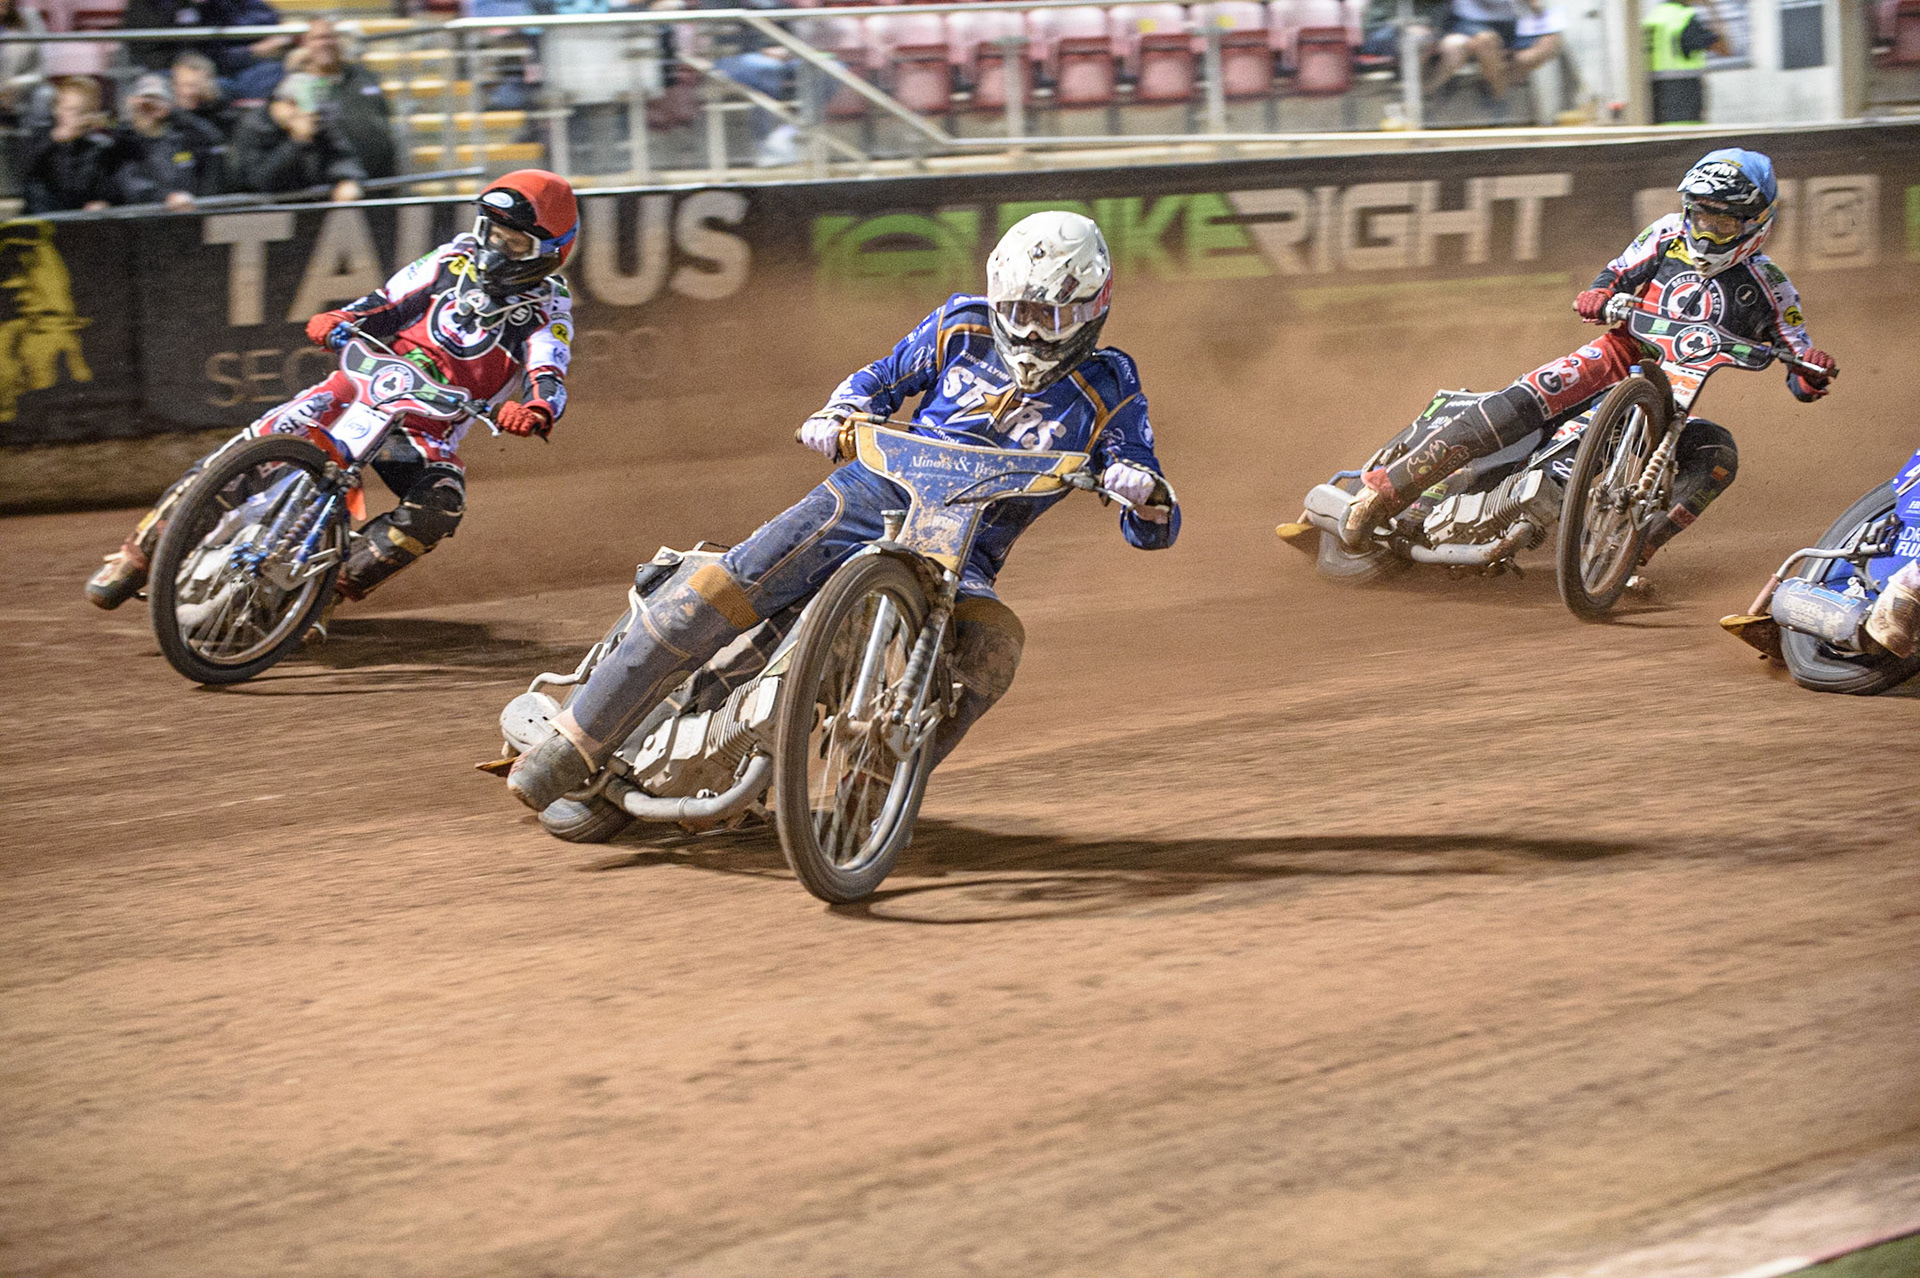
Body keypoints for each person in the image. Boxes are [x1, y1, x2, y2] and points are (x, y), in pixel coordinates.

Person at [506, 210, 1181, 814]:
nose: (1032, 330)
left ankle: (874, 794)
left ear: (1094, 308)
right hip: (871, 494)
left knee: (995, 648)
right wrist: (839, 412)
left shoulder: (1110, 386)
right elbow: (882, 378)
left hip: (966, 549)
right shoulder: (963, 323)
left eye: (1052, 317)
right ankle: (575, 742)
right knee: (729, 582)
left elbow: (1152, 510)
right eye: (1020, 311)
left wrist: (1142, 493)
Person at [84, 170, 579, 613]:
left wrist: (536, 408)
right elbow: (387, 303)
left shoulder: (548, 308)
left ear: (550, 251)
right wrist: (343, 318)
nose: (495, 249)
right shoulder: (453, 258)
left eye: (513, 244)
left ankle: (322, 595)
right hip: (359, 383)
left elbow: (548, 372)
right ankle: (139, 554)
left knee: (441, 505)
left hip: (428, 425)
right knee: (249, 450)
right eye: (492, 233)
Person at [1336, 149, 1836, 569]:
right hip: (1616, 355)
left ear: (1756, 222)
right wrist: (1597, 296)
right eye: (1701, 216)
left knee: (1718, 457)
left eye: (1722, 221)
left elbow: (1798, 356)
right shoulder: (1666, 234)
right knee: (1524, 399)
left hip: (1672, 397)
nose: (1706, 232)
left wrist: (1811, 371)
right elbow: (1614, 274)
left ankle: (1627, 554)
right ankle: (1383, 491)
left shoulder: (1771, 288)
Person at [225, 71, 364, 200]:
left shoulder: (315, 120)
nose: (303, 114)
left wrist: (347, 179)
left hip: (309, 199)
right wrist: (297, 141)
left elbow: (340, 153)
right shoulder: (254, 126)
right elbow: (259, 180)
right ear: (280, 102)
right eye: (294, 105)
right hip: (262, 207)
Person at [112, 71, 226, 207]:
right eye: (145, 100)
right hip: (142, 220)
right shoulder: (123, 144)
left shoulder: (184, 138)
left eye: (157, 100)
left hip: (190, 215)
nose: (150, 106)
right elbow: (129, 184)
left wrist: (174, 113)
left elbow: (208, 170)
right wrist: (166, 197)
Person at [122, 0, 290, 90]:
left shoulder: (214, 5)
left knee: (275, 72)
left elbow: (264, 17)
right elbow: (146, 49)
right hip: (168, 71)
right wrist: (252, 50)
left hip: (223, 67)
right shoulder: (149, 5)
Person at [20, 75, 124, 212]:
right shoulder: (39, 141)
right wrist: (54, 139)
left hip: (82, 224)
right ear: (56, 109)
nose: (68, 116)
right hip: (44, 222)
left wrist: (104, 203)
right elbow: (26, 177)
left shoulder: (98, 149)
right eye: (66, 108)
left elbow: (111, 191)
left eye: (77, 111)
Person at [1643, 0, 1728, 124]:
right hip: (1683, 96)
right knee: (1687, 140)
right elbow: (1724, 49)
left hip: (1655, 100)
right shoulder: (1682, 17)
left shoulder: (1653, 17)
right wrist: (1712, 9)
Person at [170, 52, 239, 136]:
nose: (185, 91)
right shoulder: (166, 111)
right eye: (178, 84)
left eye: (192, 86)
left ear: (209, 84)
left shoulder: (224, 112)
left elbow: (217, 139)